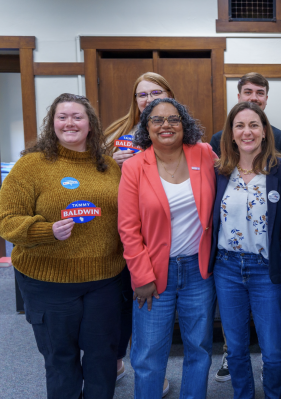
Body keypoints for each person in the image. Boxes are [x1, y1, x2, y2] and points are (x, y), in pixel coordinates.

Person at [0, 93, 125, 398]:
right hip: (48, 283)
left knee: (102, 360)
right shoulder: (30, 166)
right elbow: (5, 221)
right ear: (51, 123)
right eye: (62, 117)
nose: (70, 123)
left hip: (104, 281)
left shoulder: (109, 166)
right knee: (61, 361)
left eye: (77, 117)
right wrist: (45, 230)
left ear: (90, 124)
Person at [118, 98, 217, 398]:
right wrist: (141, 276)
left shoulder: (204, 154)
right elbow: (128, 228)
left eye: (173, 119)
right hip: (153, 273)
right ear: (146, 127)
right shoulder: (135, 167)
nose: (166, 125)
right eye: (157, 120)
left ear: (184, 124)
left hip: (198, 271)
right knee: (148, 354)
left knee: (199, 349)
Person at [209, 101, 281, 399]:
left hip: (266, 269)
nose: (247, 131)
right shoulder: (218, 172)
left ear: (265, 132)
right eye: (240, 125)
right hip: (226, 267)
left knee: (272, 348)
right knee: (237, 347)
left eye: (254, 125)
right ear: (230, 134)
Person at [103, 71, 174, 394]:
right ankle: (119, 361)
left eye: (155, 92)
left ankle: (152, 374)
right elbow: (95, 180)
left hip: (161, 235)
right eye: (142, 94)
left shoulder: (176, 129)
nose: (148, 99)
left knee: (150, 311)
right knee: (120, 302)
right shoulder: (117, 134)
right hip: (120, 233)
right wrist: (110, 163)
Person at [209, 73, 281, 158]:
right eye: (248, 92)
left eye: (260, 93)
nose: (254, 98)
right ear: (239, 97)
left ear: (266, 99)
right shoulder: (218, 140)